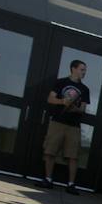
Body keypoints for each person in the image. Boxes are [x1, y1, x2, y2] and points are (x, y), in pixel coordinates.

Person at [38, 60, 91, 193]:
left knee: (73, 156)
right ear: (73, 69)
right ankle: (48, 179)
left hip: (73, 126)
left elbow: (83, 108)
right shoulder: (61, 82)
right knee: (50, 151)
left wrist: (75, 108)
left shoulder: (85, 89)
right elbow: (50, 99)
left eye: (84, 70)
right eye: (81, 69)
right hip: (57, 122)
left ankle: (71, 184)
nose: (83, 72)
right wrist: (63, 101)